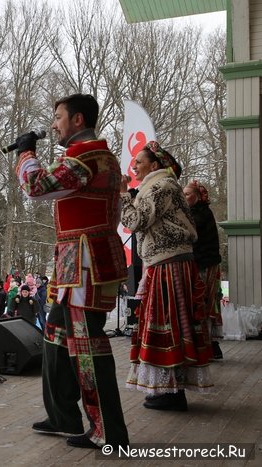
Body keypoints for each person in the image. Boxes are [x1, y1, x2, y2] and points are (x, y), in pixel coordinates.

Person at [16, 93, 129, 448]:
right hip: (77, 263)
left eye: (59, 118)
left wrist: (26, 154)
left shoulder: (87, 156)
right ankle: (62, 414)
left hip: (85, 264)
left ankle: (108, 431)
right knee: (56, 336)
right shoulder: (96, 156)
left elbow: (36, 186)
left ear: (78, 120)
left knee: (88, 346)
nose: (54, 125)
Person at [120, 141, 213, 411]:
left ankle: (173, 392)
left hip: (168, 265)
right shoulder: (159, 187)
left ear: (155, 165)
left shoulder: (161, 186)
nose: (134, 165)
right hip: (165, 263)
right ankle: (168, 388)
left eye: (139, 161)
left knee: (168, 325)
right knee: (169, 324)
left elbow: (135, 221)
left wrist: (124, 194)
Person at [184, 180, 224, 360]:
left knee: (204, 302)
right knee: (204, 302)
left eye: (187, 194)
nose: (184, 198)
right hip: (202, 263)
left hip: (205, 265)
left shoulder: (200, 213)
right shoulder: (196, 212)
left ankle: (207, 346)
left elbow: (188, 232)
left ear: (198, 196)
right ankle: (210, 346)